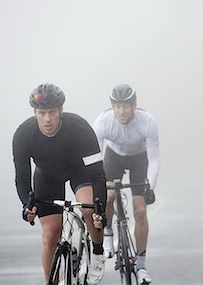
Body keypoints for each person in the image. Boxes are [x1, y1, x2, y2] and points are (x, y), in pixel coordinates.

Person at [13, 84, 107, 285]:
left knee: (90, 211)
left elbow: (98, 174)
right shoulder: (23, 134)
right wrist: (26, 205)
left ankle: (98, 251)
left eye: (52, 112)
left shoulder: (80, 128)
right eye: (42, 113)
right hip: (47, 176)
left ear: (61, 110)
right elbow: (22, 178)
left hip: (79, 172)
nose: (47, 119)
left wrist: (101, 210)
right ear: (35, 112)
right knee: (50, 234)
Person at [92, 84, 159, 284]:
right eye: (117, 106)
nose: (121, 111)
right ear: (112, 106)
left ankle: (141, 266)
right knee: (110, 195)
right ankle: (108, 231)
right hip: (114, 157)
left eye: (126, 106)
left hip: (140, 158)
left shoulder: (147, 122)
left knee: (140, 210)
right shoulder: (103, 122)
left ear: (134, 106)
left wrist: (150, 187)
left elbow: (154, 159)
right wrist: (99, 188)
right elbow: (96, 158)